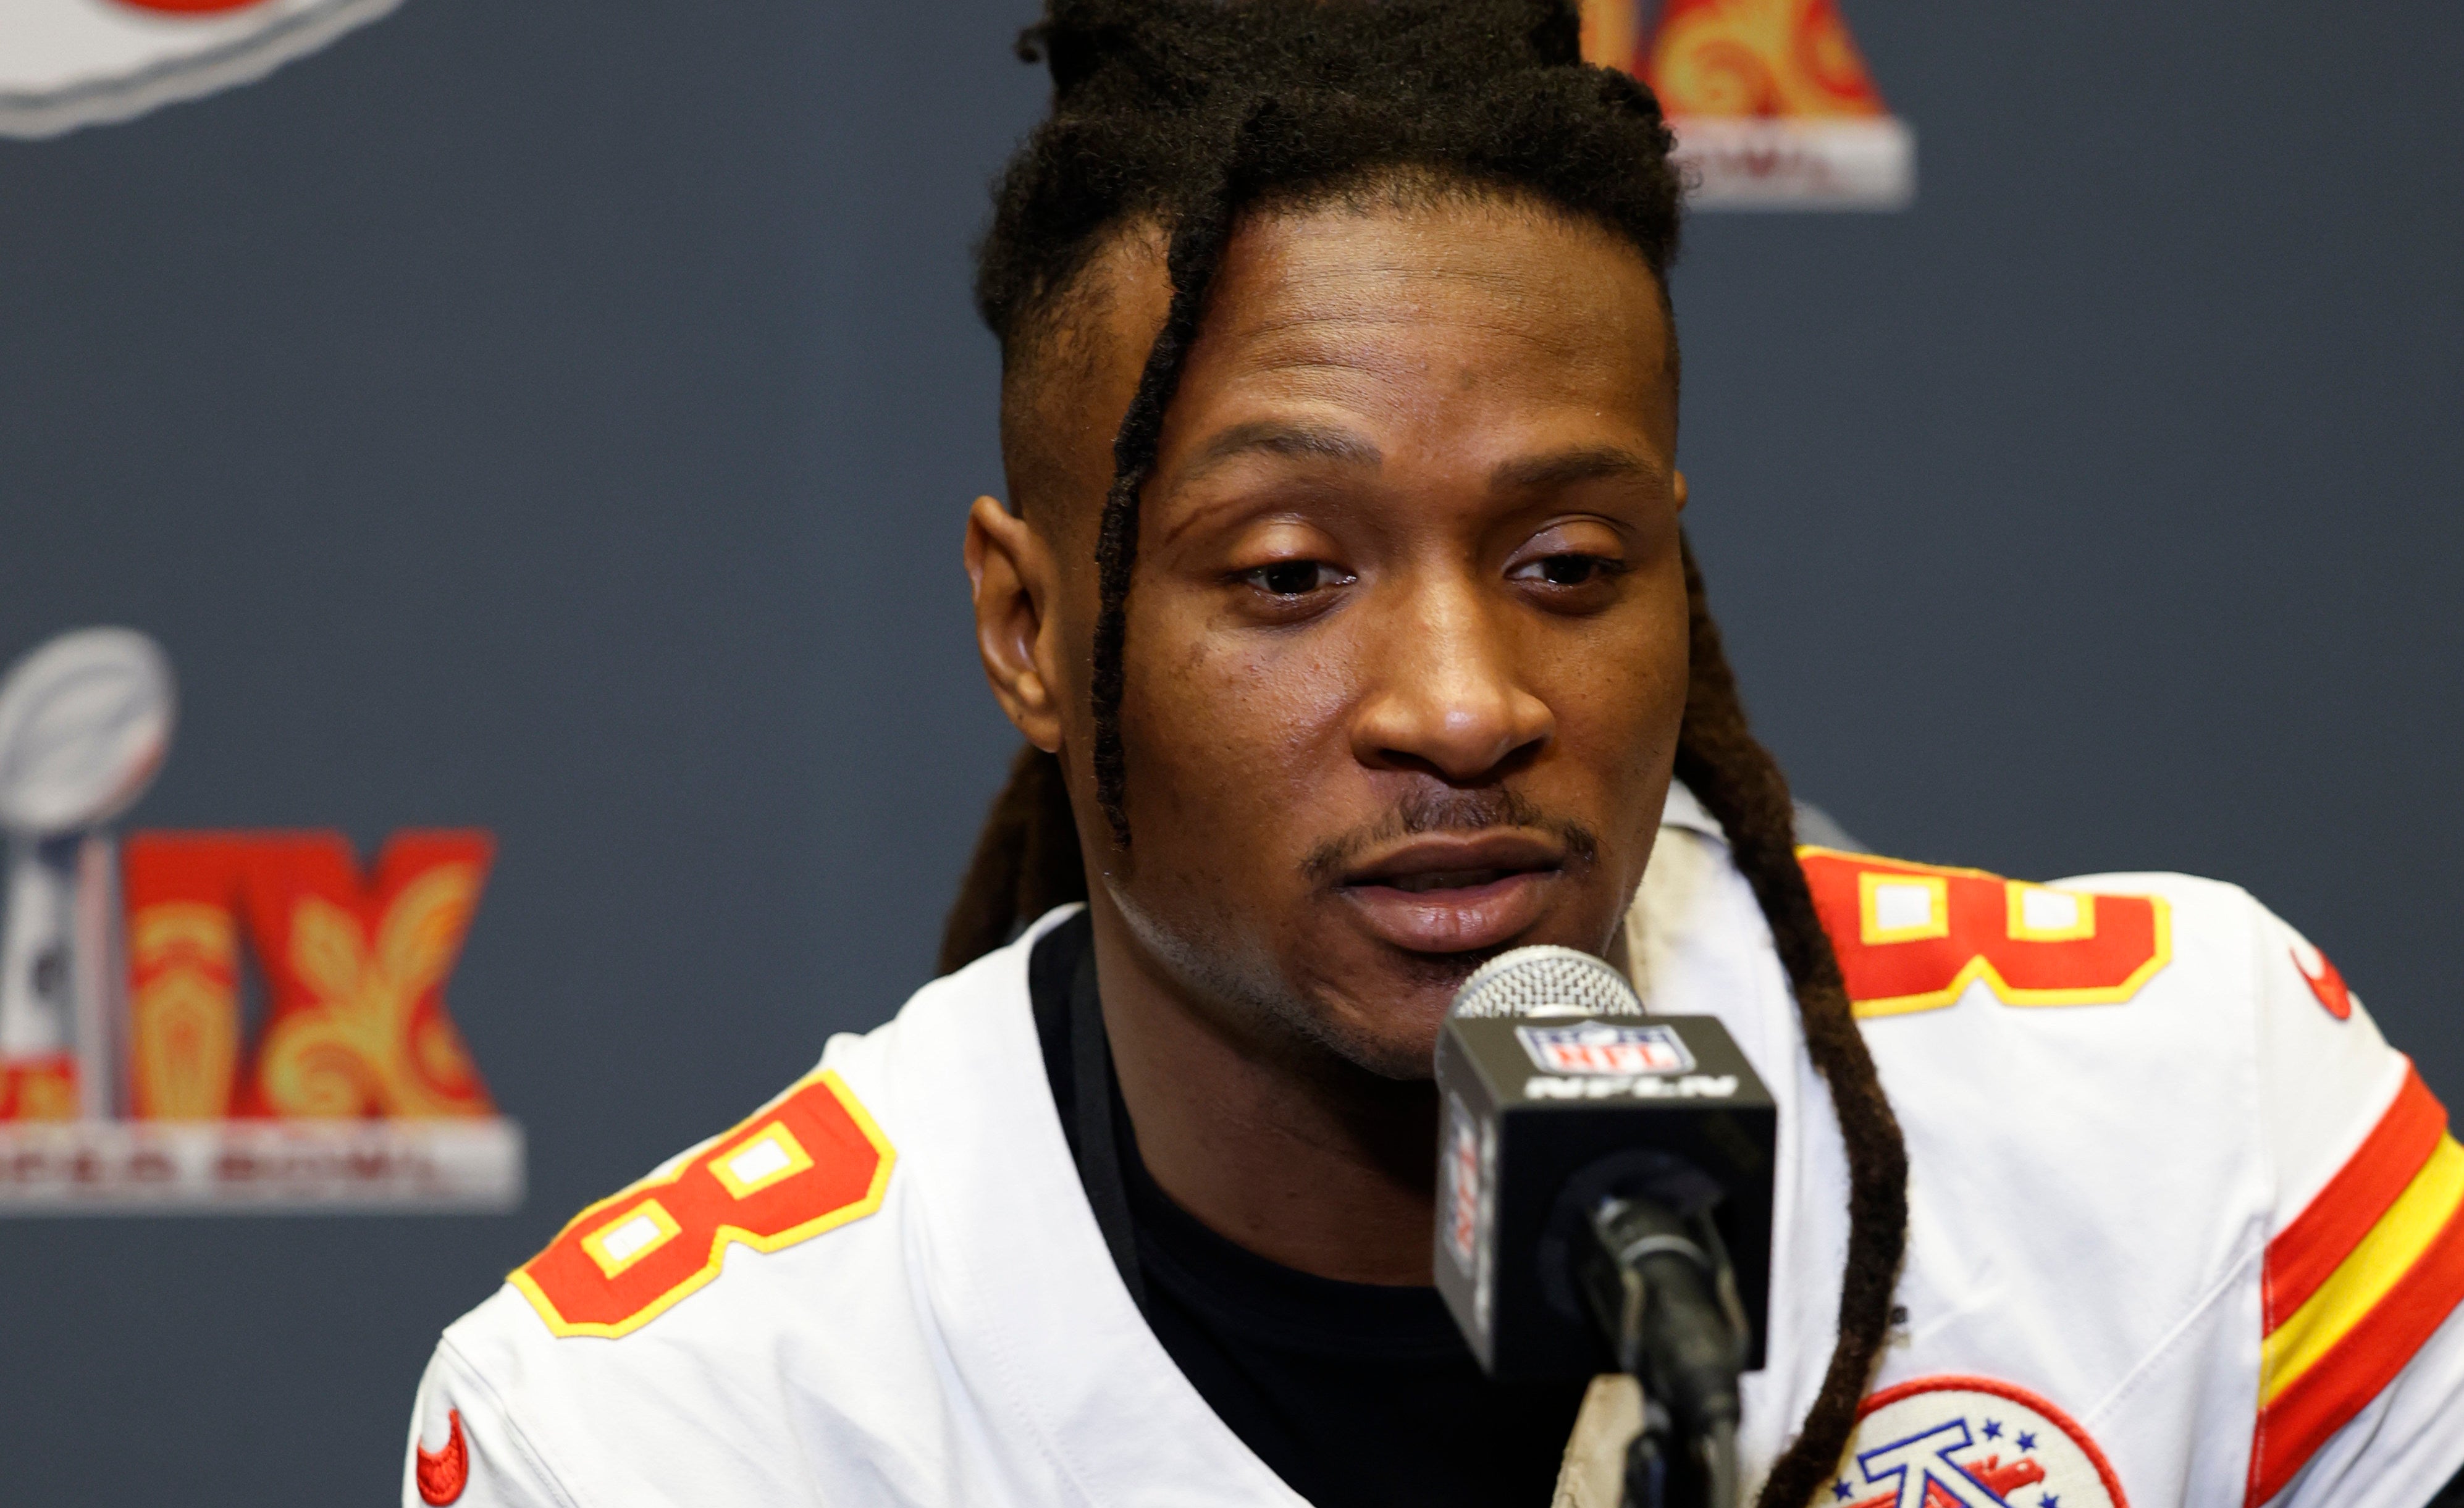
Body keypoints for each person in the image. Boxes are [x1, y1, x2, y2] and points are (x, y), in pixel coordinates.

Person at [402, 4, 2464, 1505]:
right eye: (1291, 574)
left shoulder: (2192, 1132)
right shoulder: (671, 1422)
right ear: (1030, 628)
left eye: (1568, 561)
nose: (1468, 703)